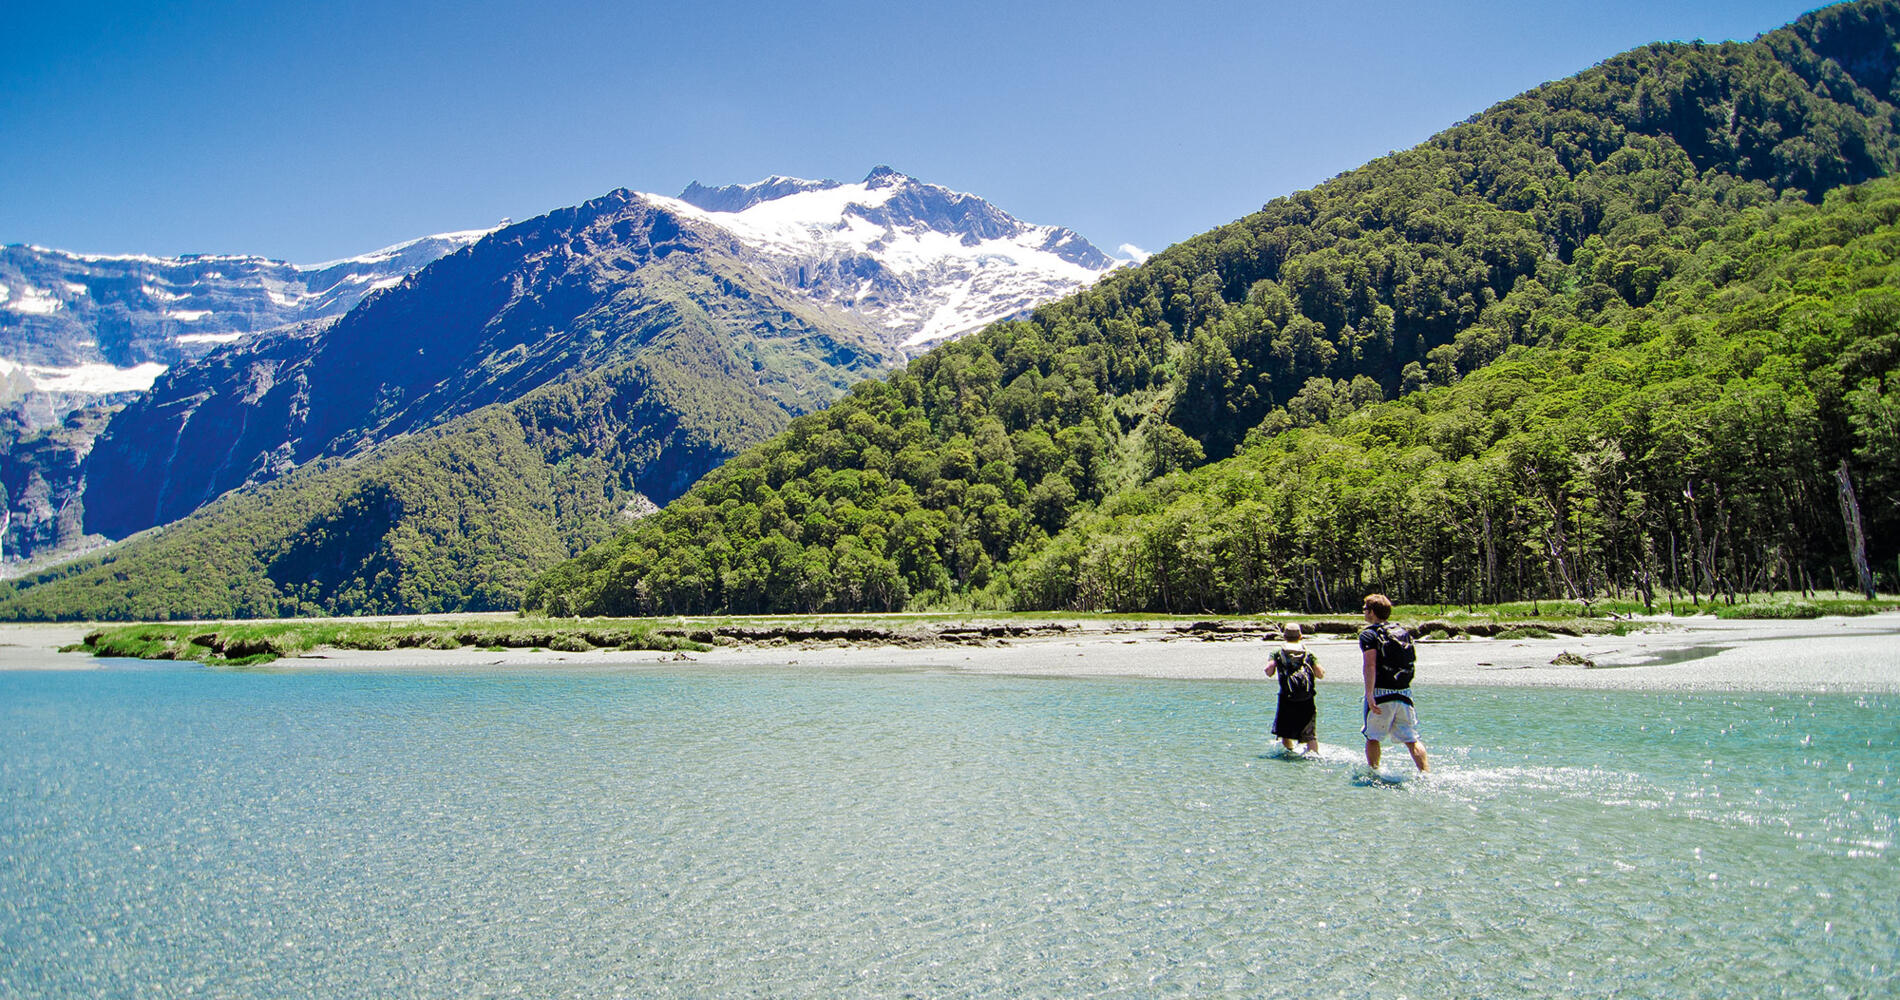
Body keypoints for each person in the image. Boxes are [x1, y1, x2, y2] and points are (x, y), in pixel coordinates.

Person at [1359, 594, 1428, 772]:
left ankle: (1374, 772)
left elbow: (1370, 665)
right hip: (1404, 692)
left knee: (1372, 737)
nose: (1364, 612)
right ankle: (1425, 772)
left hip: (1381, 693)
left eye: (1365, 609)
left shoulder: (1369, 634)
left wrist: (1369, 694)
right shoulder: (1402, 632)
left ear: (1372, 612)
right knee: (1411, 739)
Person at [1265, 622, 1323, 754]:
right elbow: (1320, 674)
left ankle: (1290, 752)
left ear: (1284, 636)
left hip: (1287, 696)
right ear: (1300, 636)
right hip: (1307, 698)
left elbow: (1269, 671)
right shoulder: (1308, 652)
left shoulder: (1277, 652)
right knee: (1310, 734)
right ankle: (1314, 756)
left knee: (1285, 732)